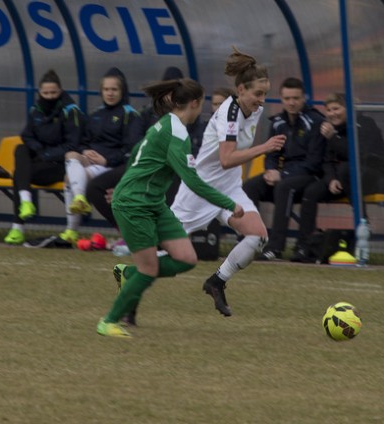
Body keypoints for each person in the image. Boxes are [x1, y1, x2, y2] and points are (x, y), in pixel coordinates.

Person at [96, 78, 245, 338]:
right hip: (135, 205)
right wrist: (229, 203)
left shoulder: (166, 125)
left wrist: (125, 184)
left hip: (153, 202)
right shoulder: (176, 133)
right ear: (195, 104)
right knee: (150, 269)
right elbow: (192, 181)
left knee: (186, 259)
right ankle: (108, 322)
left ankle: (127, 273)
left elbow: (135, 155)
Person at [170, 46, 286, 317]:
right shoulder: (229, 113)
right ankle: (129, 279)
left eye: (265, 94)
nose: (262, 100)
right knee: (168, 256)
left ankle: (216, 282)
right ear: (241, 90)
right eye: (258, 94)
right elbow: (226, 158)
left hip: (230, 188)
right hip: (201, 189)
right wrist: (265, 148)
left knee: (258, 236)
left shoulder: (254, 109)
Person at [86, 66, 192, 234]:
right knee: (94, 188)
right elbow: (135, 145)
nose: (170, 95)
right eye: (167, 89)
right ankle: (127, 231)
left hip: (170, 171)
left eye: (175, 91)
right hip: (141, 167)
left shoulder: (189, 115)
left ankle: (163, 238)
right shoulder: (146, 113)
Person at [296, 92, 384, 261]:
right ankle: (305, 245)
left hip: (378, 178)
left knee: (347, 169)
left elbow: (357, 155)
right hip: (346, 180)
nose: (332, 113)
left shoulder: (364, 124)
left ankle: (363, 224)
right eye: (328, 110)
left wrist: (333, 137)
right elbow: (327, 160)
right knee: (312, 191)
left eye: (336, 108)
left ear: (348, 109)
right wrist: (331, 179)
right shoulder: (332, 130)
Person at [243, 77, 325, 261]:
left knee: (283, 187)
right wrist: (271, 170)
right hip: (283, 175)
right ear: (281, 99)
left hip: (309, 176)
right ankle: (251, 242)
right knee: (249, 187)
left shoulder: (315, 121)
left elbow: (314, 162)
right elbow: (271, 154)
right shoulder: (278, 122)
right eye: (287, 98)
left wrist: (283, 174)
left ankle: (275, 247)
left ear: (304, 97)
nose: (292, 102)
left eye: (296, 98)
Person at [58, 67, 143, 243]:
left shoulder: (130, 115)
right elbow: (82, 141)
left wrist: (107, 159)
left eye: (114, 89)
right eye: (106, 89)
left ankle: (72, 228)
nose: (110, 93)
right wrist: (84, 151)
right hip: (91, 163)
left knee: (70, 179)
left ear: (122, 91)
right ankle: (80, 199)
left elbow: (132, 148)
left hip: (113, 166)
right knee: (71, 155)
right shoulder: (96, 115)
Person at [3, 70, 84, 244]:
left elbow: (73, 145)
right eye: (46, 93)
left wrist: (45, 155)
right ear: (40, 92)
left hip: (61, 166)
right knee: (20, 149)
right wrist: (39, 150)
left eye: (53, 93)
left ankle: (18, 226)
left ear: (60, 91)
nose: (49, 96)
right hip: (41, 160)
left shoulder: (71, 111)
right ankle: (26, 202)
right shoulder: (36, 109)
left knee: (19, 174)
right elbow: (27, 135)